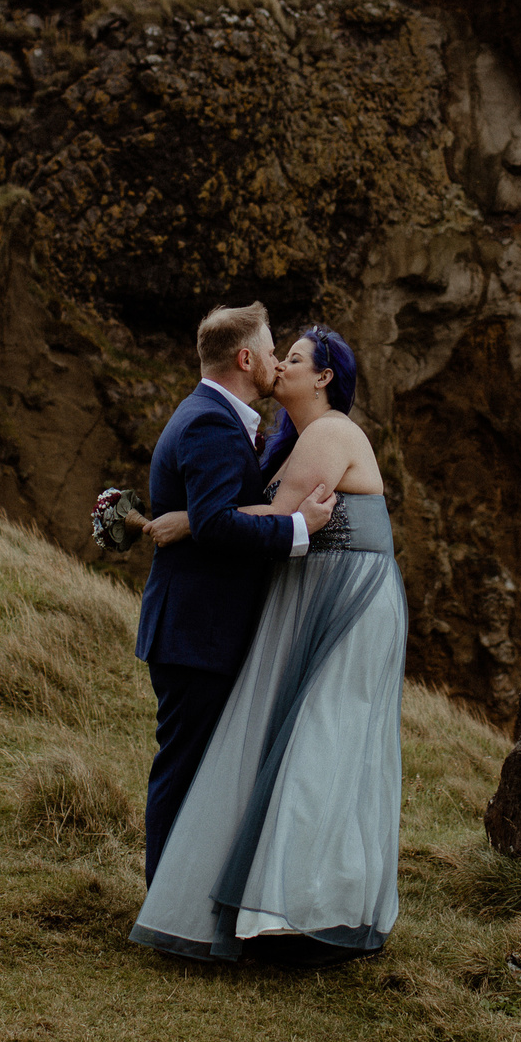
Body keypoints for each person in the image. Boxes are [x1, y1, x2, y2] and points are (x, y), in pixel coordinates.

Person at [130, 324, 407, 967]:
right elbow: (263, 514)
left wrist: (192, 520)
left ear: (325, 378)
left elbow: (261, 517)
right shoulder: (288, 439)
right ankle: (267, 904)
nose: (282, 364)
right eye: (279, 353)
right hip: (311, 598)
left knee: (323, 748)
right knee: (295, 749)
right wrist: (204, 515)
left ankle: (312, 910)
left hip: (348, 606)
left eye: (297, 358)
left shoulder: (330, 432)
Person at [135, 303, 338, 883]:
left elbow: (206, 516)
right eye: (273, 350)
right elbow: (220, 523)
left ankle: (180, 900)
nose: (277, 361)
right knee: (184, 772)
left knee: (195, 770)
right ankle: (167, 906)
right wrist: (302, 528)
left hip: (199, 630)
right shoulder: (209, 422)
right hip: (197, 633)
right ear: (246, 358)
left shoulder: (212, 416)